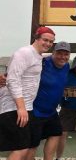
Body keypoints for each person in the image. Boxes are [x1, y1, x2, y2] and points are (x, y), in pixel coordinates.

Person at [0, 26, 55, 160]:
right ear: (36, 38)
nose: (47, 44)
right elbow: (13, 79)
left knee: (24, 145)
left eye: (51, 42)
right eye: (45, 40)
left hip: (26, 107)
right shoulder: (24, 53)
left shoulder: (38, 56)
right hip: (14, 107)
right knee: (21, 148)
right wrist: (21, 107)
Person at [25, 41, 71, 160]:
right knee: (32, 144)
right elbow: (21, 71)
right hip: (35, 111)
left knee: (56, 133)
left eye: (66, 54)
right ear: (53, 53)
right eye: (59, 53)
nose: (63, 57)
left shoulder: (67, 66)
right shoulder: (42, 63)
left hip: (51, 111)